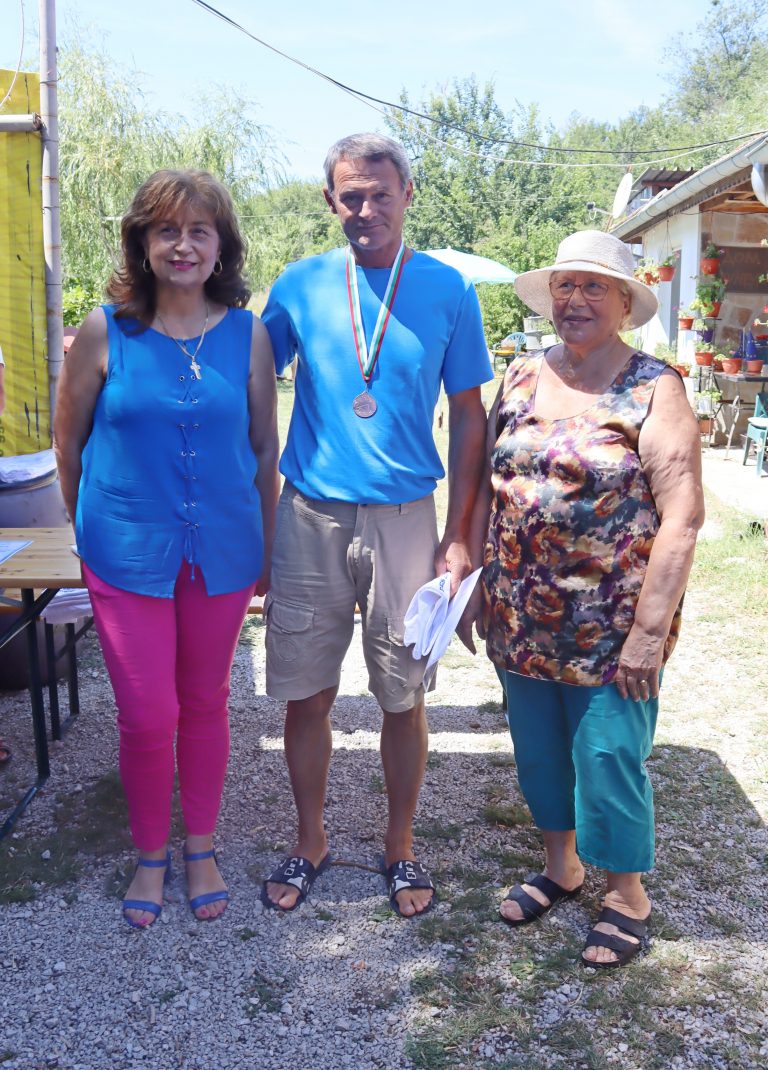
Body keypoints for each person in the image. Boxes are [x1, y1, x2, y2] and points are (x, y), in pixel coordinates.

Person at [260, 133, 492, 917]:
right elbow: (249, 389)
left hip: (404, 520)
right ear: (331, 201)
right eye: (350, 196)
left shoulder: (448, 289)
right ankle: (311, 838)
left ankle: (399, 847)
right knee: (305, 693)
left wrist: (461, 534)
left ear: (407, 194)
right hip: (311, 515)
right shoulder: (297, 285)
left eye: (379, 193)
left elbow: (469, 420)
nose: (365, 209)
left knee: (403, 695)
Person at [459, 230, 705, 967]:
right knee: (538, 753)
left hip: (612, 626)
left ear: (625, 303)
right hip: (518, 614)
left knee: (607, 756)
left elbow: (683, 517)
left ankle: (627, 893)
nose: (576, 300)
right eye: (566, 285)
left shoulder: (655, 385)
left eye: (594, 287)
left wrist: (648, 633)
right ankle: (561, 867)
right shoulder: (522, 375)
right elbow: (482, 486)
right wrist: (473, 582)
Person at [54, 170, 279, 927]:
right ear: (143, 244)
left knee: (206, 702)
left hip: (222, 547)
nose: (183, 245)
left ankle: (202, 846)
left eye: (199, 231)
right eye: (166, 231)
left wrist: (269, 551)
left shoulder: (248, 335)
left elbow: (262, 446)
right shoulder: (103, 330)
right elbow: (68, 442)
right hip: (125, 552)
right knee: (147, 714)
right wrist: (92, 533)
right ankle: (151, 853)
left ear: (221, 248)